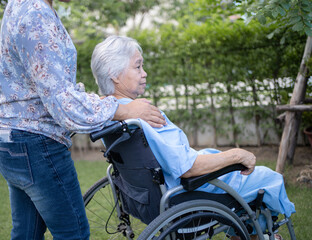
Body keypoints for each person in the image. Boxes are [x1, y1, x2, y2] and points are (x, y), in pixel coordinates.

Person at [0, 1, 166, 239]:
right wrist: (121, 109)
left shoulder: (21, 4)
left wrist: (98, 102)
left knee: (26, 234)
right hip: (34, 144)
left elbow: (50, 87)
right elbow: (62, 103)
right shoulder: (36, 14)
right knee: (74, 234)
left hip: (9, 138)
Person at [91, 35, 295, 240]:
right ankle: (263, 234)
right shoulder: (142, 117)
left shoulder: (109, 116)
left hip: (141, 199)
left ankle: (246, 234)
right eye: (137, 67)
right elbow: (188, 168)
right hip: (184, 194)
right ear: (114, 75)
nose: (144, 74)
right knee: (269, 179)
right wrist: (237, 155)